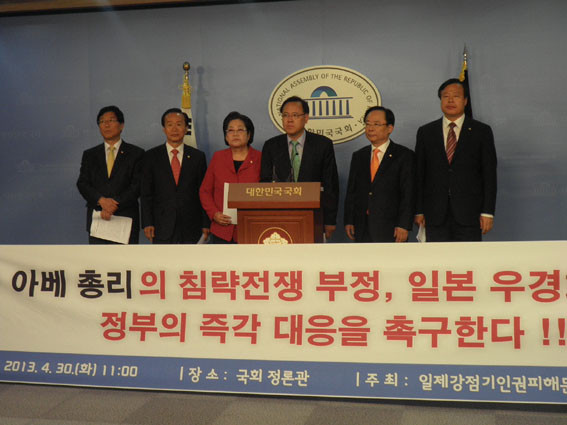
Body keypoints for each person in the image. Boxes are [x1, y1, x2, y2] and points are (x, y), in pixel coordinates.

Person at [414, 78, 497, 241]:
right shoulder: (426, 132)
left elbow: (489, 175)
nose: (450, 100)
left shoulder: (481, 131)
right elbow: (419, 175)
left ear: (465, 101)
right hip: (434, 214)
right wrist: (419, 210)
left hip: (469, 214)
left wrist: (487, 212)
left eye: (456, 96)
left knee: (468, 257)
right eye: (446, 96)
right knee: (437, 257)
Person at [260, 96, 339, 239]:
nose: (289, 120)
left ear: (306, 118)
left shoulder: (322, 145)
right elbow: (264, 183)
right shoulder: (271, 146)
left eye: (295, 115)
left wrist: (329, 220)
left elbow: (330, 184)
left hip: (314, 217)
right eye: (285, 115)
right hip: (279, 217)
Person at [344, 106, 415, 243]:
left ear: (390, 128)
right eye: (368, 124)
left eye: (376, 124)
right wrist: (349, 220)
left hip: (391, 227)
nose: (370, 128)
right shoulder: (359, 156)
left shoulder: (404, 155)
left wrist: (403, 224)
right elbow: (352, 192)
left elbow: (408, 193)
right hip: (362, 226)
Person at [77, 105, 144, 244]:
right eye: (102, 121)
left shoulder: (136, 153)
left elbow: (137, 186)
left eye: (111, 120)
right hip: (98, 219)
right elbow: (82, 183)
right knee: (99, 258)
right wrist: (101, 201)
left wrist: (113, 204)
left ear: (121, 125)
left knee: (127, 258)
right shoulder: (90, 155)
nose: (106, 125)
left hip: (125, 219)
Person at [141, 108, 209, 244]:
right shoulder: (151, 156)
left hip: (191, 225)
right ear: (164, 129)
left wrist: (206, 223)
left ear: (186, 128)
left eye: (179, 124)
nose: (174, 129)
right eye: (170, 124)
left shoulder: (197, 157)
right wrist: (147, 222)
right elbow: (146, 193)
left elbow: (204, 192)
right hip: (161, 224)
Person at [199, 111, 261, 243]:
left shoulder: (260, 158)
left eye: (240, 130)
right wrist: (214, 214)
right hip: (221, 229)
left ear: (249, 135)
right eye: (230, 130)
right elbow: (205, 191)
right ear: (226, 136)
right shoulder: (218, 157)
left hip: (252, 228)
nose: (235, 134)